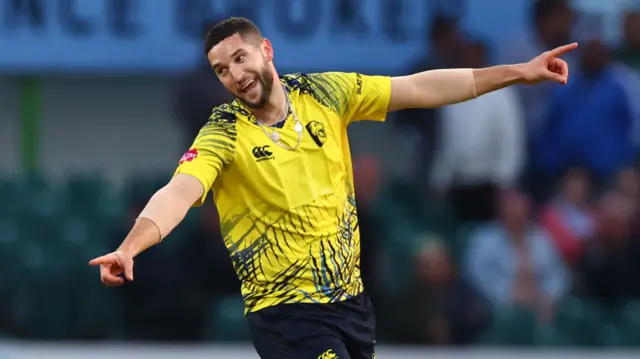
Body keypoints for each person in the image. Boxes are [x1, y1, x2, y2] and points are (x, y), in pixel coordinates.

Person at [88, 17, 576, 359]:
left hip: (350, 303)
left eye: (240, 58)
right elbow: (178, 191)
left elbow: (421, 88)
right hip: (286, 313)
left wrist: (519, 72)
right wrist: (132, 245)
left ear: (266, 51)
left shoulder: (326, 93)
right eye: (222, 69)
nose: (235, 75)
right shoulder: (223, 130)